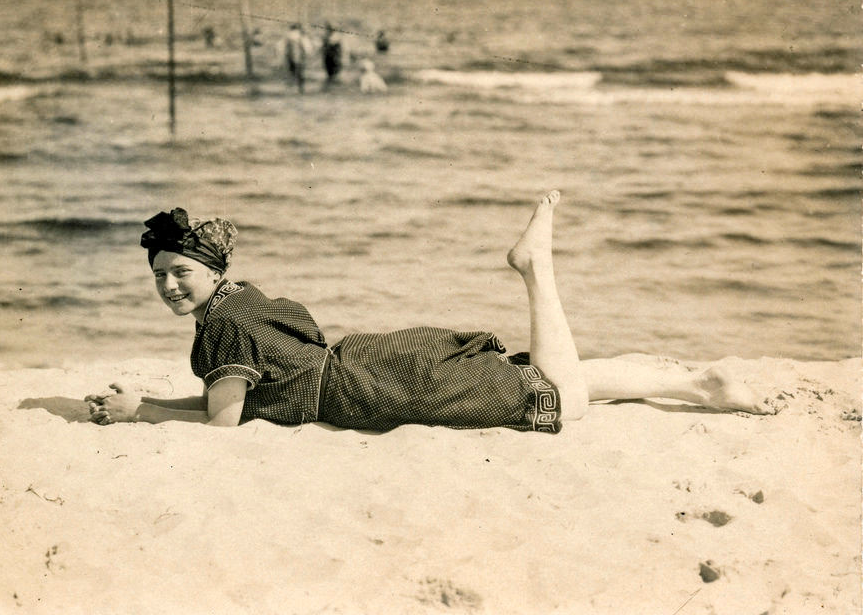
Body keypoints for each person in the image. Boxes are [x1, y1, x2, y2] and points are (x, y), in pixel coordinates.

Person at [88, 193, 773, 432]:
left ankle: (538, 269)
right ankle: (694, 386)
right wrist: (152, 401)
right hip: (378, 359)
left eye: (181, 273)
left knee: (562, 400)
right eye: (159, 277)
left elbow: (223, 424)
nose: (170, 287)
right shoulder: (244, 302)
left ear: (211, 273)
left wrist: (141, 411)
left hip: (382, 387)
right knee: (533, 376)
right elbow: (234, 396)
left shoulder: (225, 326)